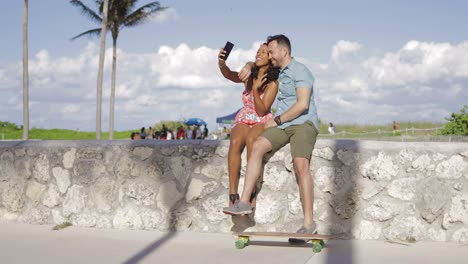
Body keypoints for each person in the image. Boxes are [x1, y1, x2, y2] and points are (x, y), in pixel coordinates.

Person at [223, 35, 320, 240]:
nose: (270, 55)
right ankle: (245, 201)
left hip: (303, 124)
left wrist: (276, 120)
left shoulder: (301, 71)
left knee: (301, 164)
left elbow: (302, 105)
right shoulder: (278, 73)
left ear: (284, 52)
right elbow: (256, 67)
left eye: (272, 52)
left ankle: (309, 224)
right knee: (257, 146)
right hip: (283, 124)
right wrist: (248, 64)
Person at [218, 42, 280, 208]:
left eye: (264, 52)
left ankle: (250, 192)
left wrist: (255, 90)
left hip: (261, 118)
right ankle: (232, 194)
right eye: (258, 51)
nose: (258, 54)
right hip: (245, 116)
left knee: (253, 141)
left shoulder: (272, 83)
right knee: (235, 142)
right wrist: (222, 63)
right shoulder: (249, 75)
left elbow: (261, 111)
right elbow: (229, 74)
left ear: (271, 57)